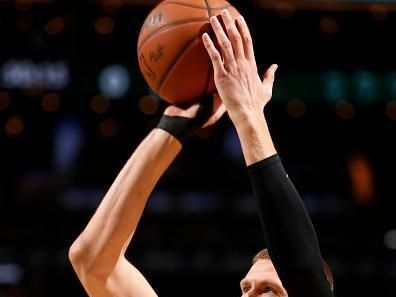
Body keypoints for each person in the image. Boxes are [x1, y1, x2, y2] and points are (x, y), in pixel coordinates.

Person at [69, 9, 334, 297]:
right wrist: (170, 130)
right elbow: (92, 262)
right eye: (246, 289)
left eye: (269, 290)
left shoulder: (305, 278)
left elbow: (301, 267)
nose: (249, 296)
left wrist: (248, 116)